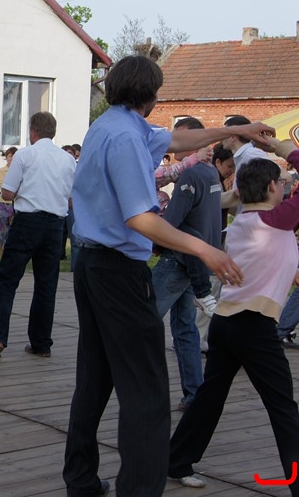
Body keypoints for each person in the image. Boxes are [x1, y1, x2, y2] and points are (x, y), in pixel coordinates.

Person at [62, 55, 272, 497]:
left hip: (92, 265)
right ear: (152, 95)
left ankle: (81, 480)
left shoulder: (112, 125)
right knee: (147, 390)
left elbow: (178, 138)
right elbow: (140, 218)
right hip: (117, 272)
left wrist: (237, 131)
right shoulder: (126, 138)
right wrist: (205, 249)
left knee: (95, 378)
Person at [169, 141, 299, 495]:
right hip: (253, 326)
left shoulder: (245, 220)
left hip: (227, 324)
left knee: (210, 398)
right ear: (271, 187)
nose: (286, 186)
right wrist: (280, 147)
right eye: (282, 182)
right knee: (283, 409)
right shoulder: (274, 221)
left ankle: (177, 460)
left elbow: (273, 262)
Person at [0, 112, 75, 359]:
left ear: (32, 132)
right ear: (53, 132)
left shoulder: (25, 155)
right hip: (55, 225)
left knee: (7, 280)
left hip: (27, 222)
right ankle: (41, 343)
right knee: (46, 285)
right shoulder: (68, 160)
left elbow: (7, 193)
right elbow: (70, 199)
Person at [150, 117, 221, 412]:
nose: (173, 143)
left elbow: (171, 222)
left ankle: (143, 390)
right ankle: (194, 394)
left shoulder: (191, 176)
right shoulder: (210, 172)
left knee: (144, 319)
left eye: (178, 137)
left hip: (178, 259)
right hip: (196, 260)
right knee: (185, 329)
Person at [194, 144, 235, 352]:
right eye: (229, 166)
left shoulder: (218, 180)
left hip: (213, 242)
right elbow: (215, 203)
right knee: (208, 293)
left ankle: (200, 338)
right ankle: (197, 339)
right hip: (209, 243)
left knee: (212, 292)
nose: (231, 170)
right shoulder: (212, 180)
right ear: (217, 162)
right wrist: (239, 194)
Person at [0, 147, 17, 253]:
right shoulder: (0, 171)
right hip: (5, 204)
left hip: (18, 204)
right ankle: (2, 252)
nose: (12, 158)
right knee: (3, 230)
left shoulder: (22, 171)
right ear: (6, 157)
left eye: (14, 156)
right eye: (10, 156)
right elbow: (4, 188)